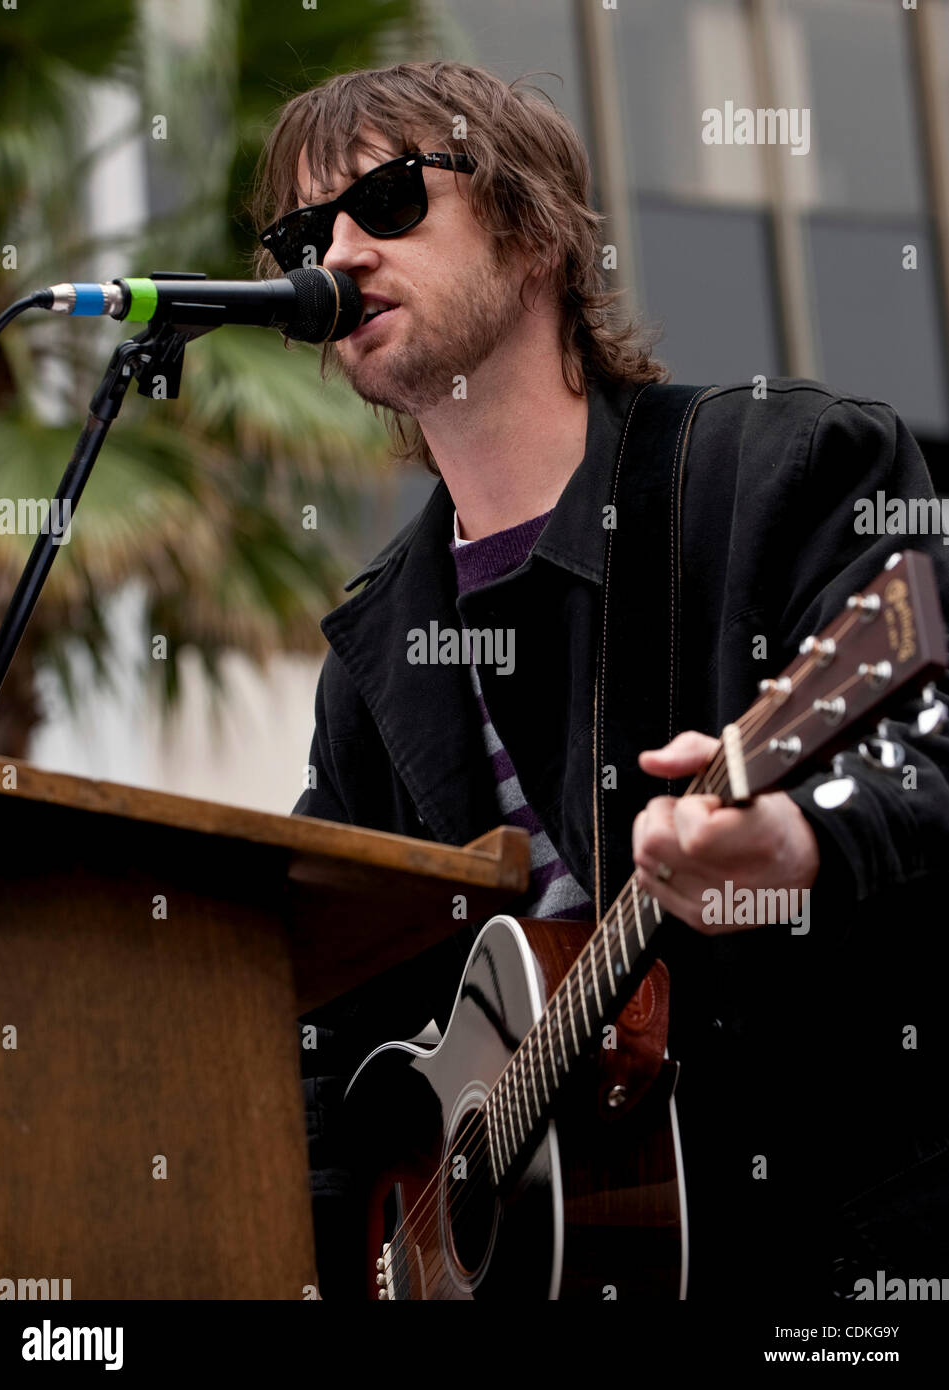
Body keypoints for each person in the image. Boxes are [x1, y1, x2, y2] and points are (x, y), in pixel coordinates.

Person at [252, 60, 949, 1301]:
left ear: (529, 231)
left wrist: (796, 837)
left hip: (834, 1253)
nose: (340, 251)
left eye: (389, 200)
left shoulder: (777, 470)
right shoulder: (376, 649)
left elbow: (926, 753)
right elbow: (327, 1022)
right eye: (305, 232)